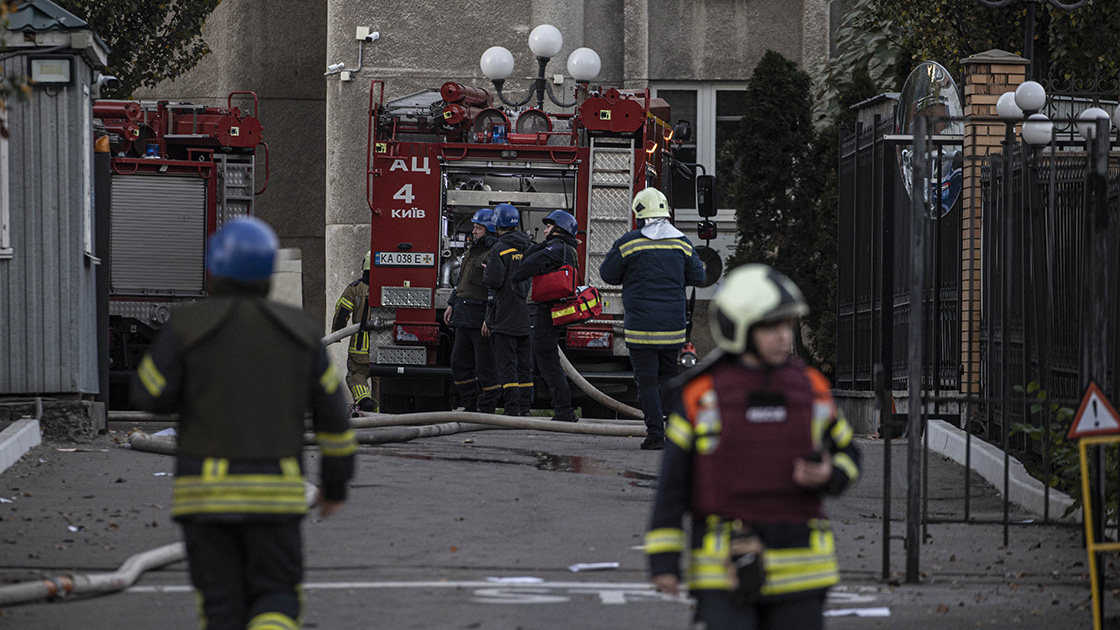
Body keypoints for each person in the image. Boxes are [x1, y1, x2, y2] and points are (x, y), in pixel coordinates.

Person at [131, 217, 356, 630]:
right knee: (277, 595)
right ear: (268, 271)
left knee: (221, 606)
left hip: (204, 497)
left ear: (214, 268)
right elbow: (335, 421)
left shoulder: (187, 325)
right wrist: (335, 485)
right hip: (275, 495)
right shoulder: (302, 330)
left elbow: (149, 394)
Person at [645, 264, 860, 630]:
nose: (784, 337)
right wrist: (663, 561)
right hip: (724, 572)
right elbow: (673, 485)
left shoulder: (811, 388)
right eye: (770, 326)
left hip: (803, 571)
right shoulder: (702, 396)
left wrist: (830, 473)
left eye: (786, 325)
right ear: (739, 328)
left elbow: (850, 456)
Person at [599, 187, 705, 449]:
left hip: (641, 328)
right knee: (669, 377)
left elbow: (607, 274)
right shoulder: (682, 243)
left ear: (639, 215)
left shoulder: (629, 242)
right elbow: (699, 276)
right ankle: (676, 431)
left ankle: (655, 434)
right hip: (672, 328)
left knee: (646, 381)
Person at [512, 209, 580, 423]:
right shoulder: (567, 249)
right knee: (543, 361)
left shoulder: (556, 248)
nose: (545, 231)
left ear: (559, 229)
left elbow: (527, 266)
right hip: (551, 311)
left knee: (548, 362)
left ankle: (564, 411)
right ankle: (562, 409)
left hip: (545, 312)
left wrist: (515, 276)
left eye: (549, 227)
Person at [444, 209, 501, 413]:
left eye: (479, 228)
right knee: (459, 363)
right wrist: (451, 303)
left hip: (480, 319)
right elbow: (462, 281)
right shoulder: (472, 251)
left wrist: (489, 317)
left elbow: (494, 289)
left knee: (485, 367)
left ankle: (486, 408)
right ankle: (470, 404)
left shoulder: (493, 253)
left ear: (490, 230)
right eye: (474, 227)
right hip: (463, 316)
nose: (474, 231)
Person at [483, 202, 533, 416]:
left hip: (505, 314)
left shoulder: (499, 248)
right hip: (526, 315)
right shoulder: (529, 246)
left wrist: (486, 271)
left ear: (496, 224)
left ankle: (512, 408)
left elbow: (493, 281)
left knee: (508, 364)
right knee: (525, 364)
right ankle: (525, 407)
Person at [331, 250, 377, 412]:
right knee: (381, 381)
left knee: (356, 375)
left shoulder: (355, 288)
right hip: (385, 348)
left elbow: (342, 311)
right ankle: (380, 415)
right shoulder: (391, 287)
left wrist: (337, 332)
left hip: (360, 348)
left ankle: (364, 400)